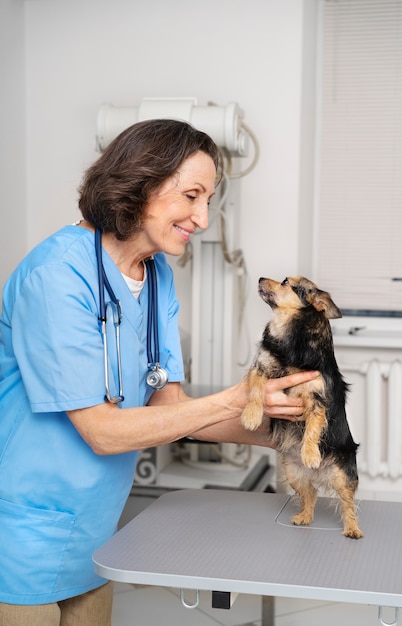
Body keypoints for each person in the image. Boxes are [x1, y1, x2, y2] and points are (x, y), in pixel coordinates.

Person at [0, 118, 317, 625]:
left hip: (96, 532)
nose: (203, 218)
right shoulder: (55, 276)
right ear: (141, 180)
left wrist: (281, 432)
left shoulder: (156, 276)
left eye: (208, 201)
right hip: (21, 534)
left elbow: (171, 411)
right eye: (191, 196)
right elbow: (102, 432)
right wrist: (240, 398)